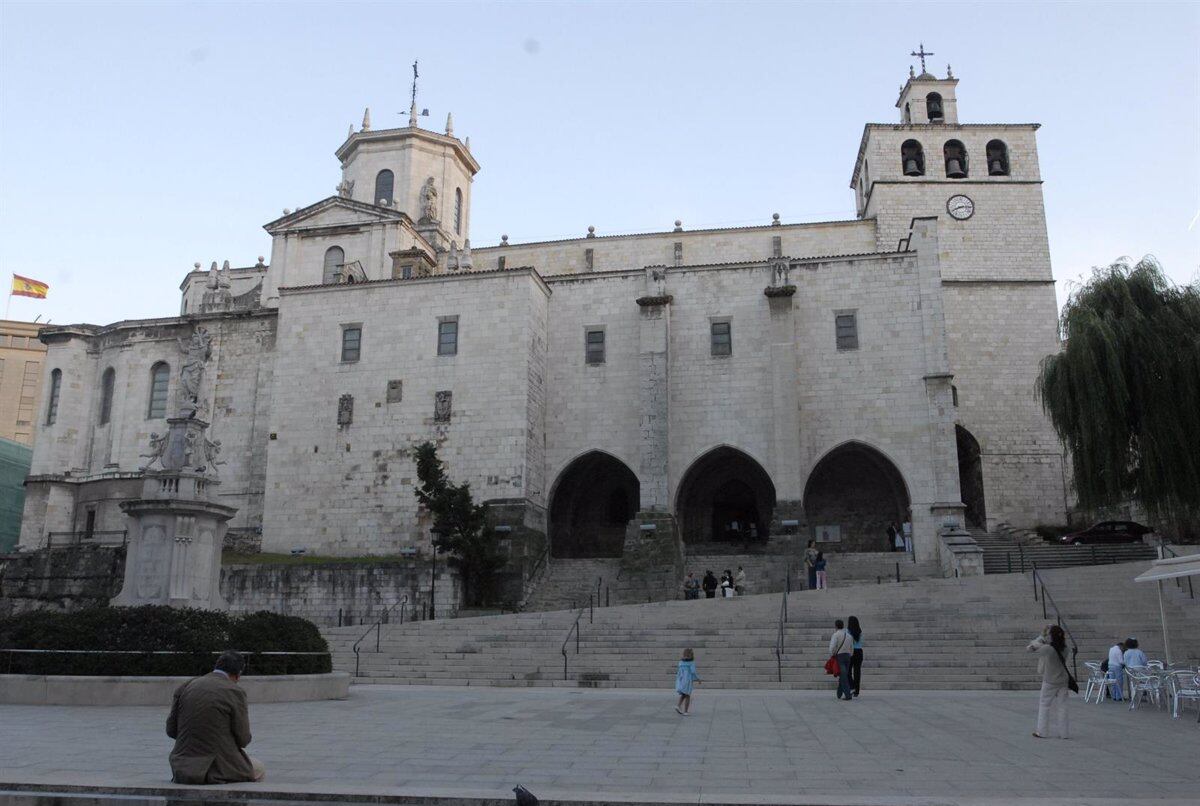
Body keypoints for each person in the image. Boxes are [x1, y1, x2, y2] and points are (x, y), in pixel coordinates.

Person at [166, 650, 266, 784]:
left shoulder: (186, 686)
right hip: (216, 769)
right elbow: (243, 739)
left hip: (181, 767)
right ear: (238, 675)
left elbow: (171, 730)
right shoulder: (234, 691)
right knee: (258, 768)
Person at [1026, 625, 1071, 739]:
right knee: (1063, 707)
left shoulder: (1048, 649)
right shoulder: (1065, 649)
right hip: (1063, 680)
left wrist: (1042, 636)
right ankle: (1064, 733)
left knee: (1044, 705)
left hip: (1050, 680)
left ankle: (1042, 731)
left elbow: (1030, 648)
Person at [828, 619, 855, 700]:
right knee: (844, 675)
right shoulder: (849, 636)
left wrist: (832, 654)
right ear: (843, 626)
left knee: (843, 676)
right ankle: (839, 693)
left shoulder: (835, 635)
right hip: (848, 656)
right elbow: (852, 648)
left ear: (836, 626)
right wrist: (850, 654)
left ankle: (847, 695)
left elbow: (832, 647)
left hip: (840, 657)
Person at [675, 647, 701, 715]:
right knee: (688, 695)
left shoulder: (680, 662)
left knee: (683, 694)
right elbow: (693, 672)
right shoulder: (691, 663)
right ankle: (685, 711)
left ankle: (678, 705)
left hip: (681, 679)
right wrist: (698, 679)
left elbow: (679, 672)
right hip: (687, 680)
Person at [847, 616, 864, 697]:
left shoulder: (848, 631)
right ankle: (857, 691)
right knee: (857, 672)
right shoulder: (860, 631)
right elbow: (861, 643)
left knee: (848, 671)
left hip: (851, 652)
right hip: (859, 652)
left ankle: (852, 686)